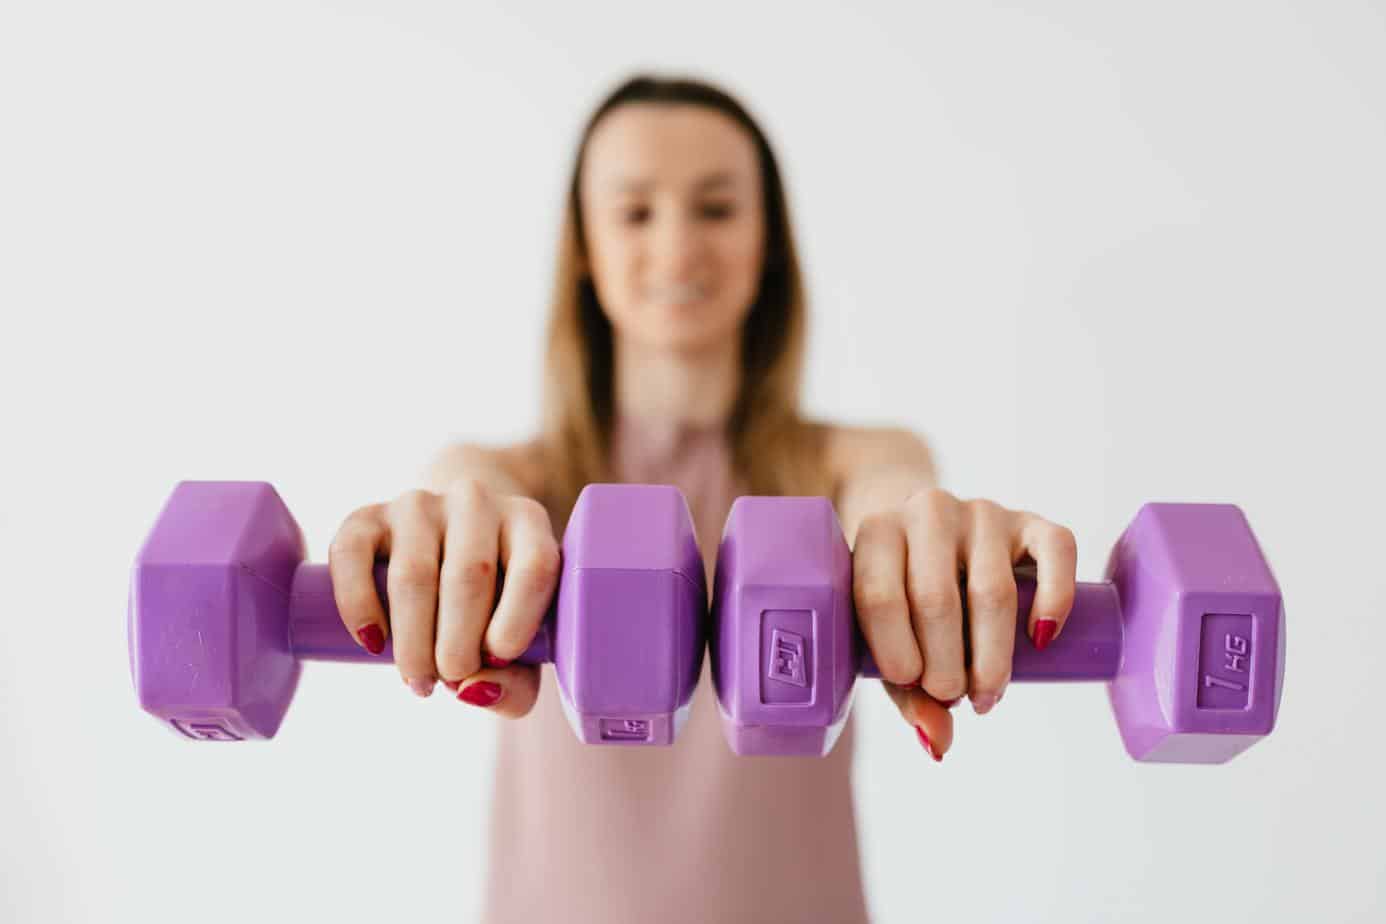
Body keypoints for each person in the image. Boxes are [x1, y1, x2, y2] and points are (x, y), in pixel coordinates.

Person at [327, 74, 1079, 923]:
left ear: (767, 243)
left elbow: (893, 502)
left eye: (717, 208)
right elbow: (470, 497)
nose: (679, 246)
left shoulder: (856, 464)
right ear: (585, 248)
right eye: (636, 212)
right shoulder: (509, 480)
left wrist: (919, 542)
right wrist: (453, 530)